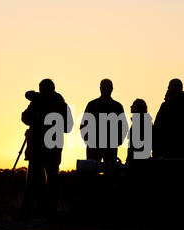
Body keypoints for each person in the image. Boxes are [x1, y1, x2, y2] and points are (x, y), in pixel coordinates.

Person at [19, 79, 73, 220]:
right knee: (34, 179)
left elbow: (68, 126)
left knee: (52, 178)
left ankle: (49, 210)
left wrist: (46, 120)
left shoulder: (60, 105)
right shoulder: (37, 102)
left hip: (52, 147)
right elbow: (24, 117)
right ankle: (35, 209)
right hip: (37, 146)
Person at [80, 79, 128, 163]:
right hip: (95, 146)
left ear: (111, 89)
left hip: (109, 147)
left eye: (108, 87)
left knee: (110, 172)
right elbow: (84, 125)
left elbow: (123, 127)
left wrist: (117, 142)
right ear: (100, 88)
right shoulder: (92, 105)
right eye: (104, 87)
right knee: (93, 172)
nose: (106, 89)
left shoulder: (117, 106)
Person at [153, 79, 184, 158]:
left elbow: (158, 128)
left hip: (167, 151)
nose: (167, 90)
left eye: (169, 88)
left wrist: (157, 150)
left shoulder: (167, 105)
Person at [127, 99, 152, 163]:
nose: (131, 107)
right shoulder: (142, 122)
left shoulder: (141, 123)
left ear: (138, 108)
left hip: (139, 162)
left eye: (133, 105)